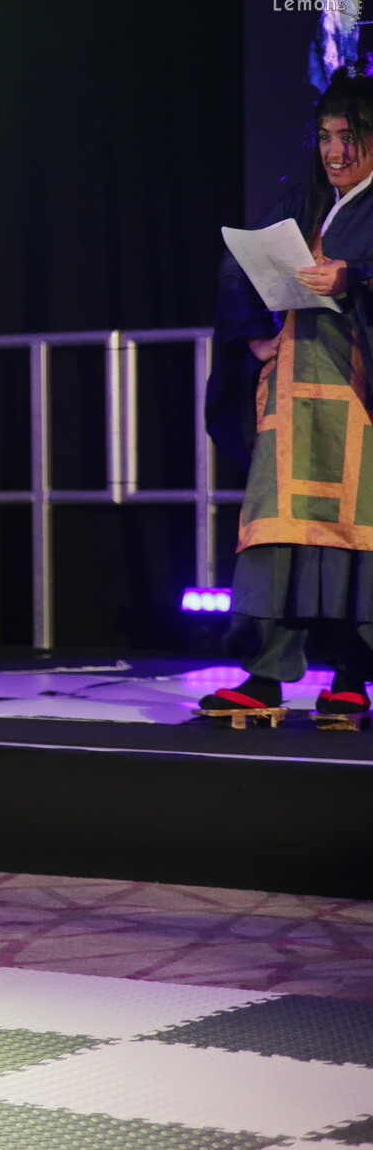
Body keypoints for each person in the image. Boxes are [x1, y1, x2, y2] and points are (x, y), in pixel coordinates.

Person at [205, 65, 373, 722]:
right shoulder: (304, 200)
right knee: (279, 528)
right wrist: (254, 338)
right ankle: (265, 674)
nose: (336, 152)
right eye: (327, 137)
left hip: (358, 395)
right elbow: (240, 262)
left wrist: (354, 277)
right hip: (294, 394)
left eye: (351, 138)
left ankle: (352, 676)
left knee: (354, 532)